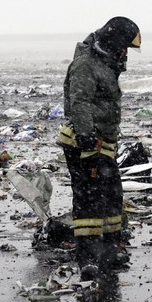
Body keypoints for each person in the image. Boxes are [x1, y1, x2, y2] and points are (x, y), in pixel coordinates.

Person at [58, 16, 141, 280]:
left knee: (111, 196)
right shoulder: (86, 64)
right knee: (89, 202)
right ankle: (88, 258)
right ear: (114, 42)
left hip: (104, 141)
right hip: (85, 142)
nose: (126, 53)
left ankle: (109, 251)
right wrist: (86, 137)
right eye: (124, 46)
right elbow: (79, 102)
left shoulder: (106, 63)